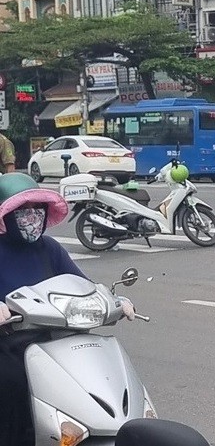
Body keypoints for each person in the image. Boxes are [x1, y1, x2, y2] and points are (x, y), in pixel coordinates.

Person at [0, 173, 135, 443]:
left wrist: (115, 301)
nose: (32, 217)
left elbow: (82, 284)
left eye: (37, 209)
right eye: (22, 211)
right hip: (10, 341)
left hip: (57, 339)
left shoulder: (49, 248)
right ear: (6, 216)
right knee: (12, 382)